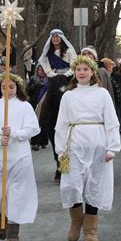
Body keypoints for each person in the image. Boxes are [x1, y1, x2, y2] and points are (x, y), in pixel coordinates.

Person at [55, 55, 121, 241]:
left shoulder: (102, 94)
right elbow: (61, 124)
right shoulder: (68, 96)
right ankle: (76, 222)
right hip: (74, 144)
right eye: (79, 69)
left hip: (97, 144)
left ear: (93, 72)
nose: (82, 72)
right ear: (74, 73)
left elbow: (111, 121)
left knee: (94, 184)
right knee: (72, 185)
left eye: (85, 69)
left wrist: (112, 147)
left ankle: (90, 228)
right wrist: (61, 150)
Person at [0, 73, 40, 241]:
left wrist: (13, 133)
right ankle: (1, 215)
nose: (8, 90)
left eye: (11, 86)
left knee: (17, 195)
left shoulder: (25, 106)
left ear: (18, 88)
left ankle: (13, 235)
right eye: (4, 87)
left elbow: (33, 129)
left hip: (19, 156)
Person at [38, 29, 77, 183]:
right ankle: (39, 124)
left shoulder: (68, 52)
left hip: (67, 79)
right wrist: (52, 75)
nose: (55, 39)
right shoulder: (48, 53)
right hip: (53, 79)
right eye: (52, 37)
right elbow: (46, 66)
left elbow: (73, 65)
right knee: (41, 102)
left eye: (57, 36)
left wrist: (67, 74)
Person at [27, 64, 49, 151]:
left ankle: (43, 141)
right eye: (39, 70)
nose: (41, 72)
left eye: (42, 70)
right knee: (35, 122)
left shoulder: (48, 80)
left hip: (45, 103)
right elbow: (28, 90)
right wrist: (34, 87)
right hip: (35, 102)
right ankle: (35, 142)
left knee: (43, 122)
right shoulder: (33, 79)